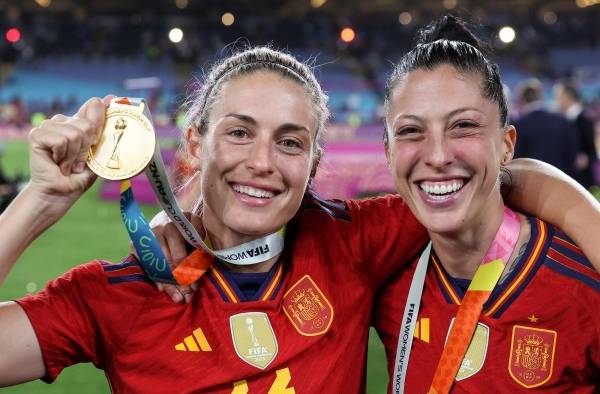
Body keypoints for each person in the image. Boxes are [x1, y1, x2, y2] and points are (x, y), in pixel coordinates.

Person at [0, 46, 599, 394]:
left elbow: (477, 181)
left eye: (290, 143)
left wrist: (586, 219)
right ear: (195, 144)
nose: (262, 163)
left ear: (312, 167)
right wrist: (38, 203)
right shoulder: (114, 297)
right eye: (239, 133)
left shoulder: (351, 242)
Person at [374, 16, 599, 393]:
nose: (438, 155)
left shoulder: (584, 286)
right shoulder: (379, 275)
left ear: (507, 145)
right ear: (388, 152)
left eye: (463, 125)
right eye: (411, 131)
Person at [513, 79, 580, 179]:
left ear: (522, 100)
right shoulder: (562, 122)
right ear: (541, 96)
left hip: (531, 185)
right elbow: (573, 156)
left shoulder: (518, 125)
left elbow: (516, 161)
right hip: (563, 182)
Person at [554, 80, 598, 189]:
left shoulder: (584, 119)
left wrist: (586, 157)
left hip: (582, 181)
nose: (557, 100)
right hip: (569, 177)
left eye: (559, 96)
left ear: (568, 96)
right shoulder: (563, 119)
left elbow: (591, 150)